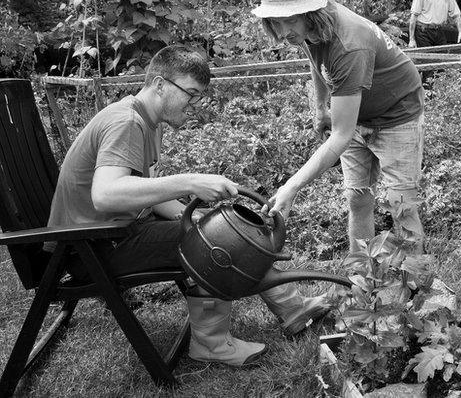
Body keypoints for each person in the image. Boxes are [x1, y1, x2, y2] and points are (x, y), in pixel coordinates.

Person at [47, 45, 334, 367]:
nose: (195, 104)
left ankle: (291, 308)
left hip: (108, 235)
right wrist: (188, 181)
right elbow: (107, 195)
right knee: (211, 242)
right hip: (90, 248)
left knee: (213, 230)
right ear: (159, 85)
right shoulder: (126, 122)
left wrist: (194, 214)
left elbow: (145, 192)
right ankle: (213, 344)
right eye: (191, 94)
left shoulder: (144, 120)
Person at [252, 0, 425, 254]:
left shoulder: (349, 43)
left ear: (309, 12)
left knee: (402, 205)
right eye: (275, 23)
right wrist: (320, 108)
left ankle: (418, 283)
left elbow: (341, 135)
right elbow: (316, 59)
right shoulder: (309, 28)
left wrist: (292, 186)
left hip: (398, 115)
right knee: (357, 199)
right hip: (358, 115)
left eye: (287, 22)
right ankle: (362, 280)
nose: (282, 34)